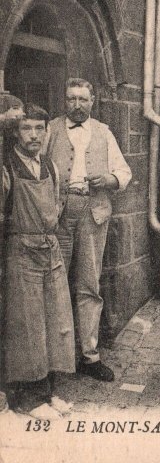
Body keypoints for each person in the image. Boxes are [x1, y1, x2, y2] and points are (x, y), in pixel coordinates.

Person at [47, 78, 132, 383]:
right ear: (64, 101)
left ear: (93, 100)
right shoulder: (50, 130)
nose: (78, 104)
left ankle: (89, 355)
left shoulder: (103, 132)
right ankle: (55, 358)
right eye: (72, 99)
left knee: (88, 284)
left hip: (94, 212)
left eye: (83, 99)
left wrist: (108, 179)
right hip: (58, 214)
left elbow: (124, 172)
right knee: (54, 284)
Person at [3, 104, 75, 419]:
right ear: (16, 132)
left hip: (51, 248)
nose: (34, 135)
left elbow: (58, 202)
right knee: (27, 324)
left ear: (46, 132)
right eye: (27, 128)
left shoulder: (50, 166)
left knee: (56, 319)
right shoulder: (7, 166)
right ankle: (27, 399)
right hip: (21, 249)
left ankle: (48, 391)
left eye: (39, 129)